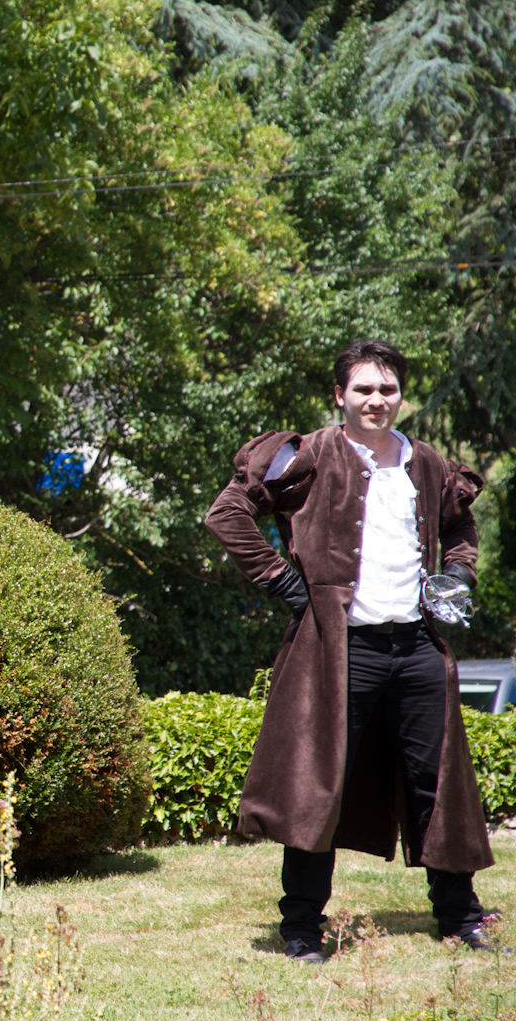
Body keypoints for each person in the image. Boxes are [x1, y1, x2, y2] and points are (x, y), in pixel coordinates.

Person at [205, 339, 492, 964]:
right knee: (318, 786)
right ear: (340, 394)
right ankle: (302, 928)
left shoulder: (426, 462)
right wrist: (284, 584)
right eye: (363, 389)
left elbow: (459, 527)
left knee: (437, 783)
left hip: (416, 646)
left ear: (401, 396)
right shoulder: (306, 454)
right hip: (337, 650)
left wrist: (458, 574)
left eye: (388, 389)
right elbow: (228, 514)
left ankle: (460, 918)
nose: (376, 400)